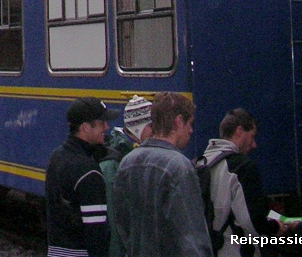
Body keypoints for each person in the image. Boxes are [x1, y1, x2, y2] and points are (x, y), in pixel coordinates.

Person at [114, 92, 213, 257]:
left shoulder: (127, 162)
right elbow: (191, 236)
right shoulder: (179, 167)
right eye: (189, 123)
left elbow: (123, 226)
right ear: (178, 120)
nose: (191, 130)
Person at [199, 108, 297, 256]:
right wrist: (276, 227)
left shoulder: (202, 163)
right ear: (239, 131)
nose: (254, 145)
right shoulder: (242, 167)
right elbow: (252, 221)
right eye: (252, 136)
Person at [45, 96, 118, 257]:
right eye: (101, 123)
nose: (107, 127)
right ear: (85, 127)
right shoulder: (89, 172)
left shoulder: (56, 157)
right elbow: (96, 233)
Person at [102, 95, 153, 257]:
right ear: (141, 128)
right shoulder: (114, 165)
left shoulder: (131, 155)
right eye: (153, 127)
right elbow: (115, 223)